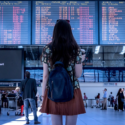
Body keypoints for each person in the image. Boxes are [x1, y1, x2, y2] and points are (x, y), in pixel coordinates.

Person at [40, 19, 86, 125]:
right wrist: (80, 61)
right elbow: (78, 74)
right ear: (69, 32)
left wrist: (43, 96)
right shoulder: (76, 49)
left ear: (55, 32)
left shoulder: (47, 49)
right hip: (72, 91)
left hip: (53, 90)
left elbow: (46, 75)